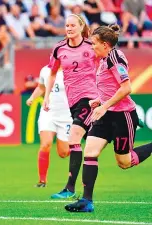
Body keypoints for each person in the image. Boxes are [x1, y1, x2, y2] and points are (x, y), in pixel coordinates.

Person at [65, 24, 152, 212]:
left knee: (124, 162)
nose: (91, 47)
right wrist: (99, 100)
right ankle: (87, 202)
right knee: (90, 152)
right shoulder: (104, 60)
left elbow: (126, 88)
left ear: (105, 44)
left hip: (122, 116)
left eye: (94, 44)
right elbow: (111, 87)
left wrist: (104, 105)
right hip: (106, 115)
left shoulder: (114, 57)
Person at [43, 14, 99, 199]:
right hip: (72, 101)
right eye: (66, 25)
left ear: (81, 26)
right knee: (122, 158)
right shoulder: (59, 48)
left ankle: (70, 188)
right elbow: (51, 74)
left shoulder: (92, 47)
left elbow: (104, 66)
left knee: (73, 138)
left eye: (72, 25)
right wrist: (46, 96)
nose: (69, 28)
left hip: (90, 99)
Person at [26, 66, 72, 187]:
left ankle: (75, 152)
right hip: (48, 112)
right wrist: (32, 97)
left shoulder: (72, 70)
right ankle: (42, 180)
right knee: (45, 144)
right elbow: (41, 87)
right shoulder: (45, 70)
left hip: (66, 115)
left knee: (63, 153)